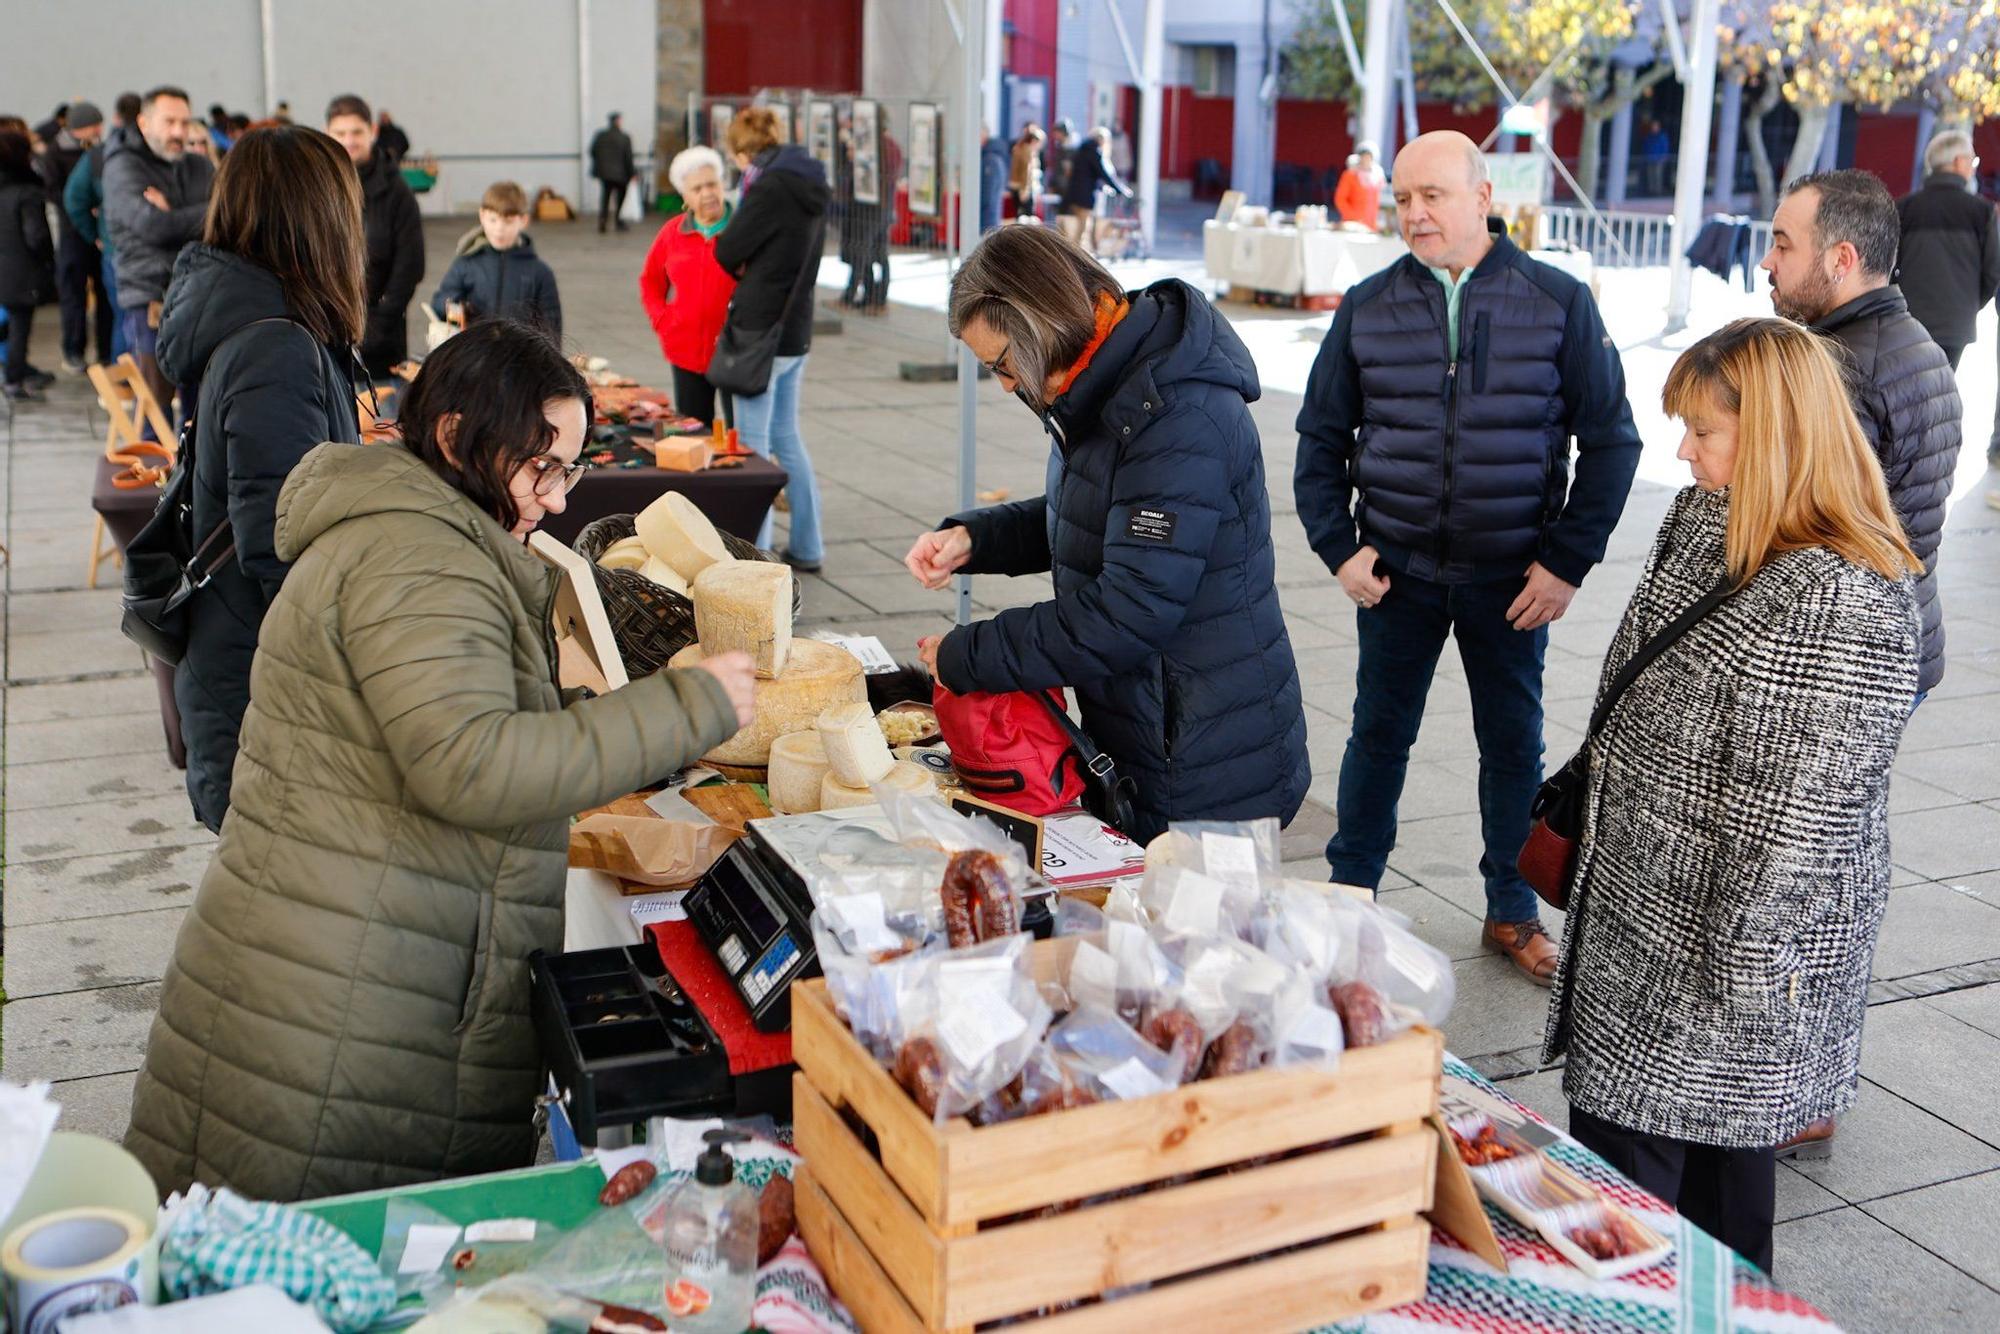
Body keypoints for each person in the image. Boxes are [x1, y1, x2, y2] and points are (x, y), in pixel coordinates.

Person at [124, 319, 758, 1202]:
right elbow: (469, 762)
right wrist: (687, 708)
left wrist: (585, 716)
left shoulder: (424, 535)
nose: (559, 499)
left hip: (343, 965)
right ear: (459, 438)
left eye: (569, 470)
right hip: (337, 1007)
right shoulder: (418, 557)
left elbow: (448, 713)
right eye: (542, 468)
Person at [1544, 317, 1921, 1274]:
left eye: (1704, 431)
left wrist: (1735, 1010)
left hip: (1718, 978)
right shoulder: (1707, 520)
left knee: (1691, 1230)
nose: (1682, 449)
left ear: (1781, 434)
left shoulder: (1846, 597)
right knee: (1625, 1207)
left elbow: (1800, 834)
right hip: (1643, 929)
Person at [1294, 131, 1641, 984]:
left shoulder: (1559, 302)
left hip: (1511, 580)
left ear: (1484, 197)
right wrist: (1340, 547)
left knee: (1512, 747)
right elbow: (1318, 443)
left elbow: (1613, 443)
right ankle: (1351, 898)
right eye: (1404, 197)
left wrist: (1566, 563)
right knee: (1377, 738)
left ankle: (1512, 910)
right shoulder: (1367, 306)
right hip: (1397, 575)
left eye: (1434, 196)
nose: (1413, 212)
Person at [905, 226, 1310, 843]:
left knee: (1195, 933)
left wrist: (969, 655)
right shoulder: (1104, 380)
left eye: (1004, 363)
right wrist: (978, 538)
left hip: (1204, 756)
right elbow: (1096, 515)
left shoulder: (1178, 414)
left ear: (1041, 322)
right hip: (1153, 726)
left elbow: (1128, 611)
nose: (1007, 385)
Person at [154, 126, 367, 832]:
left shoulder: (264, 322)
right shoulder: (274, 344)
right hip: (265, 691)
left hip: (249, 669)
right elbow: (285, 539)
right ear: (318, 221)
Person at [1763, 169, 1959, 706]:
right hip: (1904, 632)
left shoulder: (1839, 368)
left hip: (1846, 654)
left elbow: (1803, 529)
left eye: (1782, 245)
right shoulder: (1916, 343)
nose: (1766, 262)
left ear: (1841, 260)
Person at [716, 107, 829, 570]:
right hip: (795, 327)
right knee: (787, 437)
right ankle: (807, 547)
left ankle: (755, 564)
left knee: (755, 449)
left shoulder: (767, 187)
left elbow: (729, 248)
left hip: (762, 325)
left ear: (746, 152)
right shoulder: (811, 179)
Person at [103, 85, 215, 434]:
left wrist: (178, 216)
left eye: (184, 122)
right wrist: (204, 215)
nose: (179, 132)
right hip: (149, 297)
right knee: (155, 407)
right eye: (169, 122)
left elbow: (228, 220)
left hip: (200, 293)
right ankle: (155, 484)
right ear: (144, 122)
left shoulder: (197, 165)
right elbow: (154, 228)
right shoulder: (123, 167)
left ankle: (195, 482)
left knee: (204, 403)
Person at [325, 94, 424, 377]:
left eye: (357, 132)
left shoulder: (397, 193)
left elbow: (410, 266)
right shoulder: (316, 188)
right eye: (340, 133)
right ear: (326, 133)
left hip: (382, 346)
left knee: (380, 419)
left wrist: (375, 327)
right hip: (325, 338)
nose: (349, 140)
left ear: (373, 131)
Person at [639, 145, 736, 429]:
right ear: (685, 196)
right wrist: (662, 319)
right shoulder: (672, 232)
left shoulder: (741, 229)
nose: (707, 193)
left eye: (712, 184)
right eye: (697, 188)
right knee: (694, 430)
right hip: (686, 348)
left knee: (741, 436)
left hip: (735, 351)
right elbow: (650, 280)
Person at [1895, 131, 2000, 372]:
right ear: (1958, 162)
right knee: (1944, 390)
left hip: (1908, 320)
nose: (1973, 168)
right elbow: (1993, 272)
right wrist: (1968, 305)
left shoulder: (1905, 207)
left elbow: (1890, 265)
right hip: (1956, 323)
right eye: (1972, 161)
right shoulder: (1982, 211)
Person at [428, 181, 562, 341]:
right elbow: (439, 303)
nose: (499, 228)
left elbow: (551, 326)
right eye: (493, 220)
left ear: (524, 220)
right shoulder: (466, 263)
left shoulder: (540, 272)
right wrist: (455, 308)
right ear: (482, 216)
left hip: (520, 358)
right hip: (475, 355)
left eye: (508, 221)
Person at [63, 92, 138, 360]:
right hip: (140, 249)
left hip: (115, 248)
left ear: (116, 118)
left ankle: (122, 384)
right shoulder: (157, 152)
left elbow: (74, 199)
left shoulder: (99, 156)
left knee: (124, 318)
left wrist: (95, 234)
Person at [36, 100, 109, 371]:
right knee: (73, 296)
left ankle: (106, 352)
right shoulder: (54, 154)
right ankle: (73, 351)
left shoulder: (100, 151)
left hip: (98, 233)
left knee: (105, 296)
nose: (100, 130)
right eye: (95, 125)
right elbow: (53, 192)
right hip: (71, 234)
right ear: (80, 127)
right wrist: (81, 207)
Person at [0, 128, 57, 401]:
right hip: (21, 271)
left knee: (11, 326)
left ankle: (16, 371)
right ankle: (14, 379)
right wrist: (47, 259)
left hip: (6, 269)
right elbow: (37, 237)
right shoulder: (26, 192)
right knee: (20, 329)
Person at [1056, 126, 1131, 254]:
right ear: (1101, 140)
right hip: (1084, 197)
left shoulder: (1081, 150)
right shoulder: (1094, 152)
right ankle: (1075, 257)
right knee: (1083, 230)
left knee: (1077, 229)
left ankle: (1072, 254)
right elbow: (1104, 174)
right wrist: (1121, 190)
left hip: (1073, 194)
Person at [590, 111, 637, 234]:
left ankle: (603, 220)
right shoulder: (624, 137)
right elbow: (628, 157)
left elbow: (592, 151)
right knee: (620, 198)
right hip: (621, 174)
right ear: (618, 121)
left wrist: (601, 165)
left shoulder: (600, 136)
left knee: (605, 197)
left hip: (604, 174)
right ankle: (618, 221)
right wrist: (632, 173)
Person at [1334, 141, 1384, 228]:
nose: (1365, 159)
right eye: (1363, 156)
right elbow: (1340, 199)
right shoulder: (1350, 174)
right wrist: (1353, 217)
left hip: (1371, 225)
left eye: (1368, 156)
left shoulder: (1377, 176)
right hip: (1353, 224)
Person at [1009, 124, 1045, 222]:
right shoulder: (1027, 151)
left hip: (1017, 186)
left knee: (1019, 216)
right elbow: (1026, 171)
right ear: (1034, 141)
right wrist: (1025, 189)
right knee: (1027, 217)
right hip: (1024, 188)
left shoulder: (1019, 148)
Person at [979, 126, 1008, 234]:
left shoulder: (990, 161)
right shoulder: (990, 158)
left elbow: (988, 195)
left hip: (987, 220)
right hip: (988, 218)